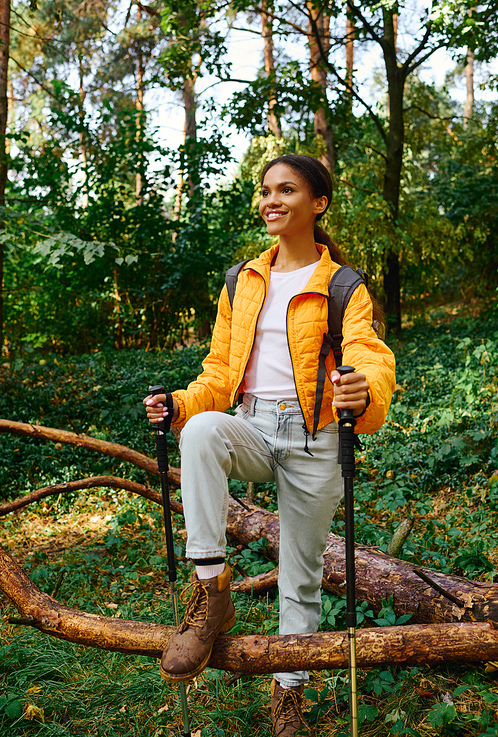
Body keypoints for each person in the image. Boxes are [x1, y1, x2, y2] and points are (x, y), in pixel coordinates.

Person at [144, 154, 396, 737]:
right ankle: (211, 594)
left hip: (315, 439)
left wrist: (364, 387)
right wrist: (182, 403)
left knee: (301, 576)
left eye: (286, 190)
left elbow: (368, 354)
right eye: (265, 192)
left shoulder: (342, 285)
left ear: (319, 203)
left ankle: (289, 697)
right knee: (203, 431)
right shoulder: (242, 280)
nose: (271, 201)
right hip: (252, 425)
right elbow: (219, 367)